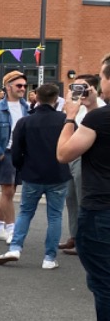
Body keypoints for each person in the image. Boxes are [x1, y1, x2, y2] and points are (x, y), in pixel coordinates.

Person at [56, 58, 110, 321]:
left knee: (103, 281)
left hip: (101, 208)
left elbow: (64, 153)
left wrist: (71, 118)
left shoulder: (99, 119)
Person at [0, 83, 70, 268]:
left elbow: (17, 150)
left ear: (37, 98)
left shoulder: (25, 121)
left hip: (32, 174)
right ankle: (49, 258)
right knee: (55, 216)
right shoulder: (64, 120)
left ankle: (15, 247)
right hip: (57, 174)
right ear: (55, 99)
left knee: (25, 212)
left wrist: (21, 167)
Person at [0, 70, 31, 243]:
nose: (23, 88)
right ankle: (11, 229)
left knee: (9, 192)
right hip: (6, 153)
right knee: (8, 191)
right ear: (8, 87)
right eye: (19, 85)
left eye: (24, 85)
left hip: (21, 154)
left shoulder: (27, 108)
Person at [61, 74, 105, 255]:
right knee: (70, 197)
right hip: (71, 152)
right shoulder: (72, 106)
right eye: (74, 87)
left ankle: (85, 240)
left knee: (83, 197)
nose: (77, 91)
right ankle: (75, 235)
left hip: (85, 156)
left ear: (93, 89)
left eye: (82, 87)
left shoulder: (99, 107)